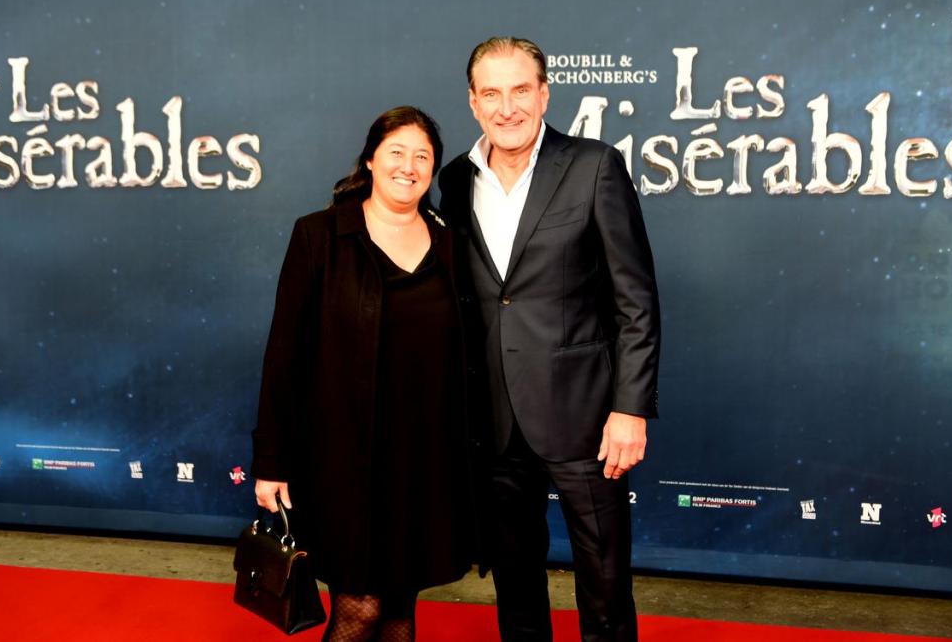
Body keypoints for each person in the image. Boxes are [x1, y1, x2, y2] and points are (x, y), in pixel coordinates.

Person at [439, 37, 661, 642]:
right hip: (494, 420)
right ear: (473, 102)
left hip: (586, 417)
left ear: (543, 94)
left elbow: (636, 299)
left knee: (604, 584)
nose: (506, 107)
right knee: (514, 584)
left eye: (520, 90)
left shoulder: (594, 165)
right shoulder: (455, 179)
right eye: (491, 93)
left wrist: (631, 409)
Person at [252, 106, 477, 642]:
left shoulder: (452, 243)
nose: (409, 166)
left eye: (422, 156)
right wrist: (270, 461)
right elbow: (284, 355)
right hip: (344, 462)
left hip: (424, 463)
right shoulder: (320, 235)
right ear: (371, 159)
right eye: (396, 152)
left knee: (399, 606)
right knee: (361, 607)